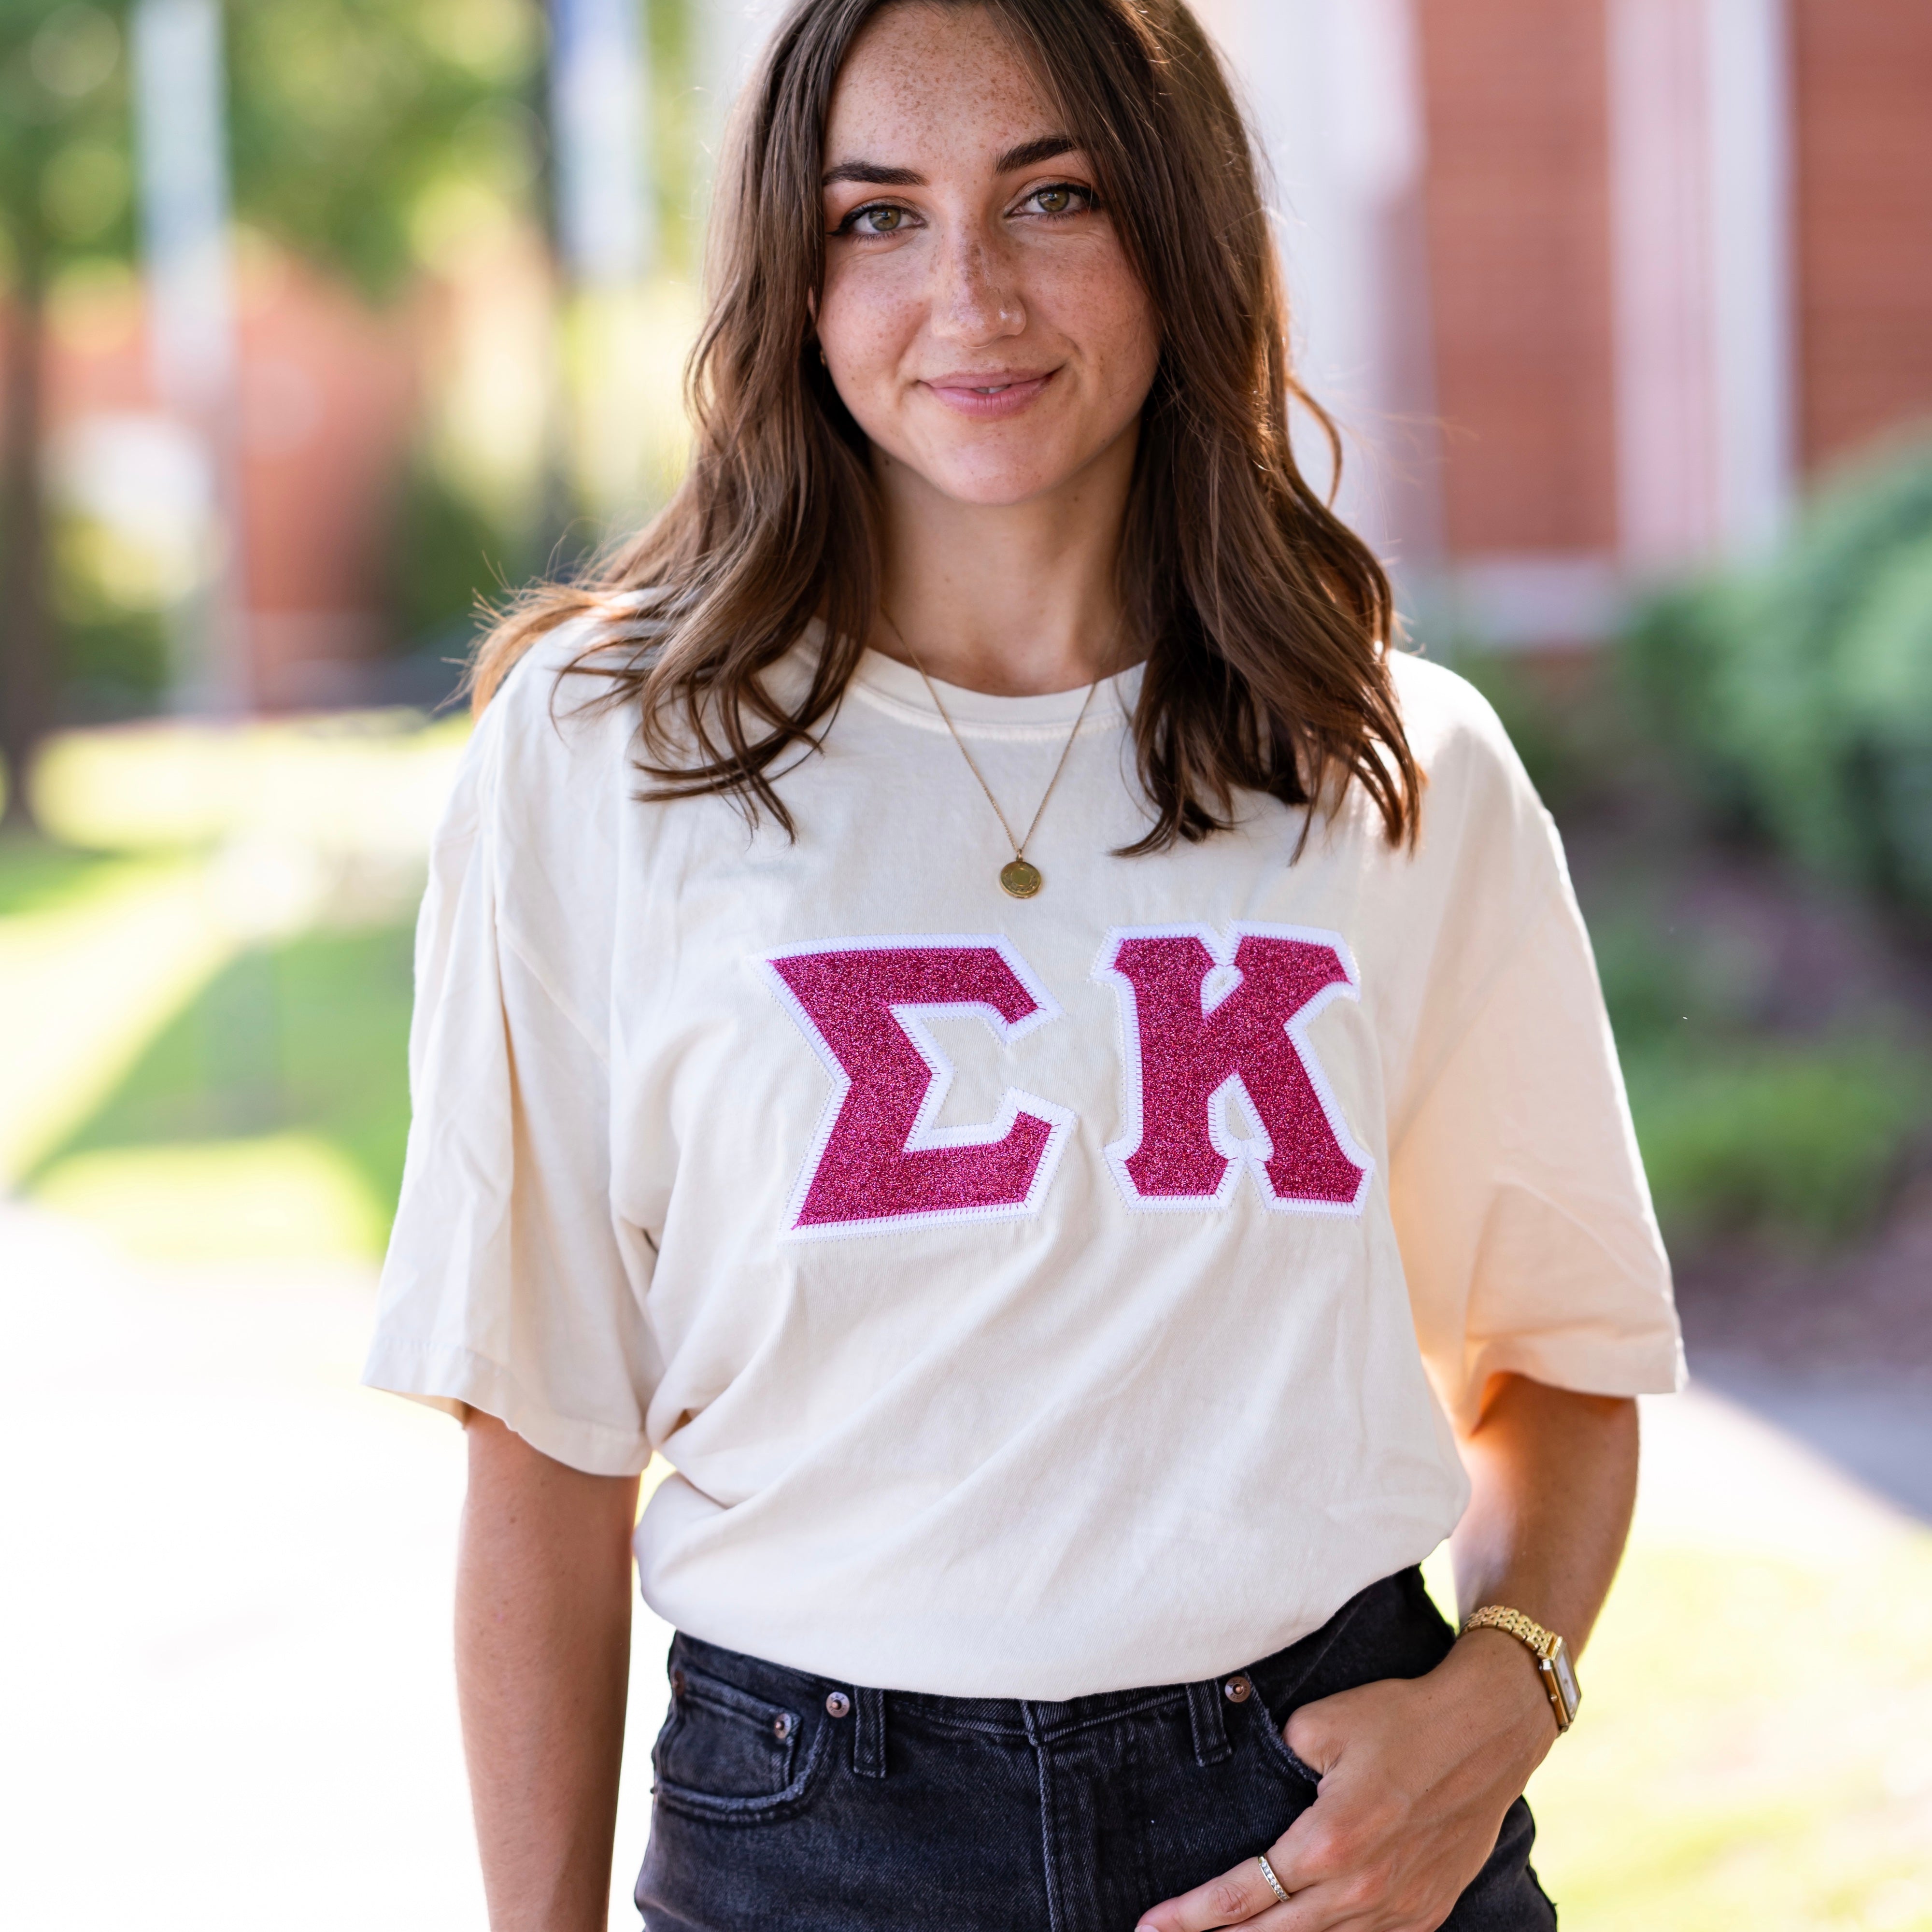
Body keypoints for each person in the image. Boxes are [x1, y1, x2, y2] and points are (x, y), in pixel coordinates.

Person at [364, 1, 1682, 1927]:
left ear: (1177, 232)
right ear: (791, 285)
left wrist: (1506, 1695)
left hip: (1322, 1815)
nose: (966, 291)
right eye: (876, 218)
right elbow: (545, 1450)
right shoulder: (597, 753)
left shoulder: (1395, 764)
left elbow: (1565, 1363)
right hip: (815, 1838)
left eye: (1050, 196)